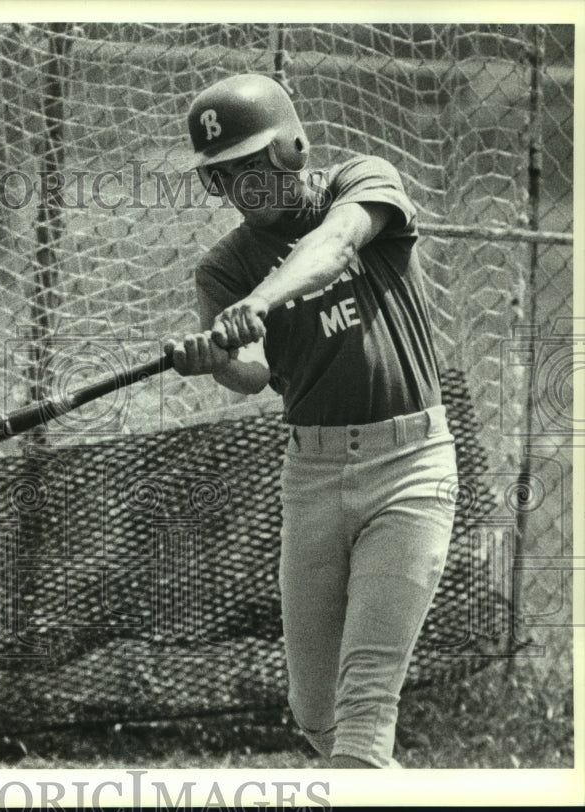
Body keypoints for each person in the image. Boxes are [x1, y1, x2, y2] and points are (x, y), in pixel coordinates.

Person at [164, 74, 458, 768]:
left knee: (364, 703)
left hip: (409, 468)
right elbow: (254, 374)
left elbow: (334, 247)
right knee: (316, 713)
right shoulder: (223, 268)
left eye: (250, 167)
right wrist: (217, 357)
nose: (241, 190)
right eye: (223, 178)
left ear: (292, 149)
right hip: (314, 474)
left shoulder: (362, 182)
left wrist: (261, 301)